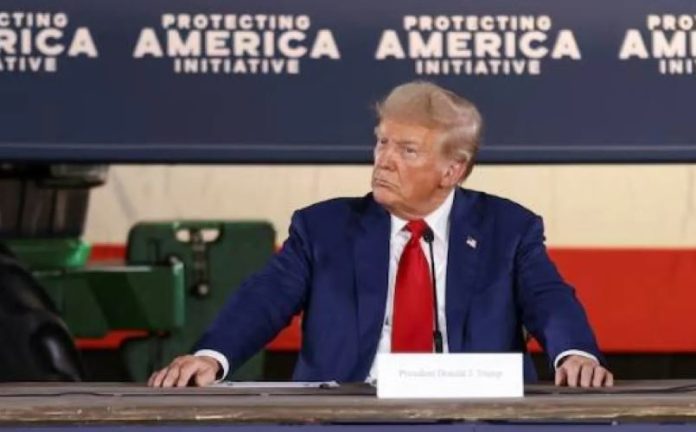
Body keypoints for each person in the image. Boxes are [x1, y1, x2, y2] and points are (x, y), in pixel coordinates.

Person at [149, 81, 613, 388]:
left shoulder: (508, 229)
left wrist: (575, 355)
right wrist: (212, 356)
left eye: (407, 150)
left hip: (473, 415)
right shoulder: (323, 228)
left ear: (452, 170)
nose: (384, 160)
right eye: (382, 142)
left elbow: (549, 299)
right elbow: (264, 299)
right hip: (349, 414)